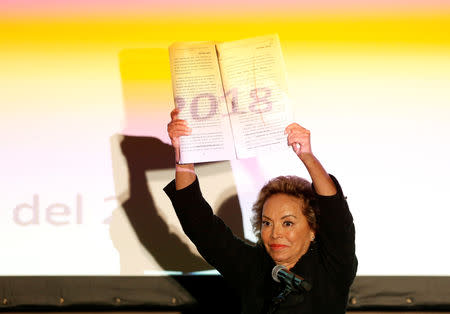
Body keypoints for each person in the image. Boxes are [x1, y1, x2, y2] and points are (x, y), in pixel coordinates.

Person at [164, 108, 357, 313]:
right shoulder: (253, 268)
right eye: (267, 223)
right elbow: (199, 224)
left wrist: (307, 156)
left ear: (313, 229)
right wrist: (184, 151)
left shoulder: (332, 266)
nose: (275, 233)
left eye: (288, 223)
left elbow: (335, 214)